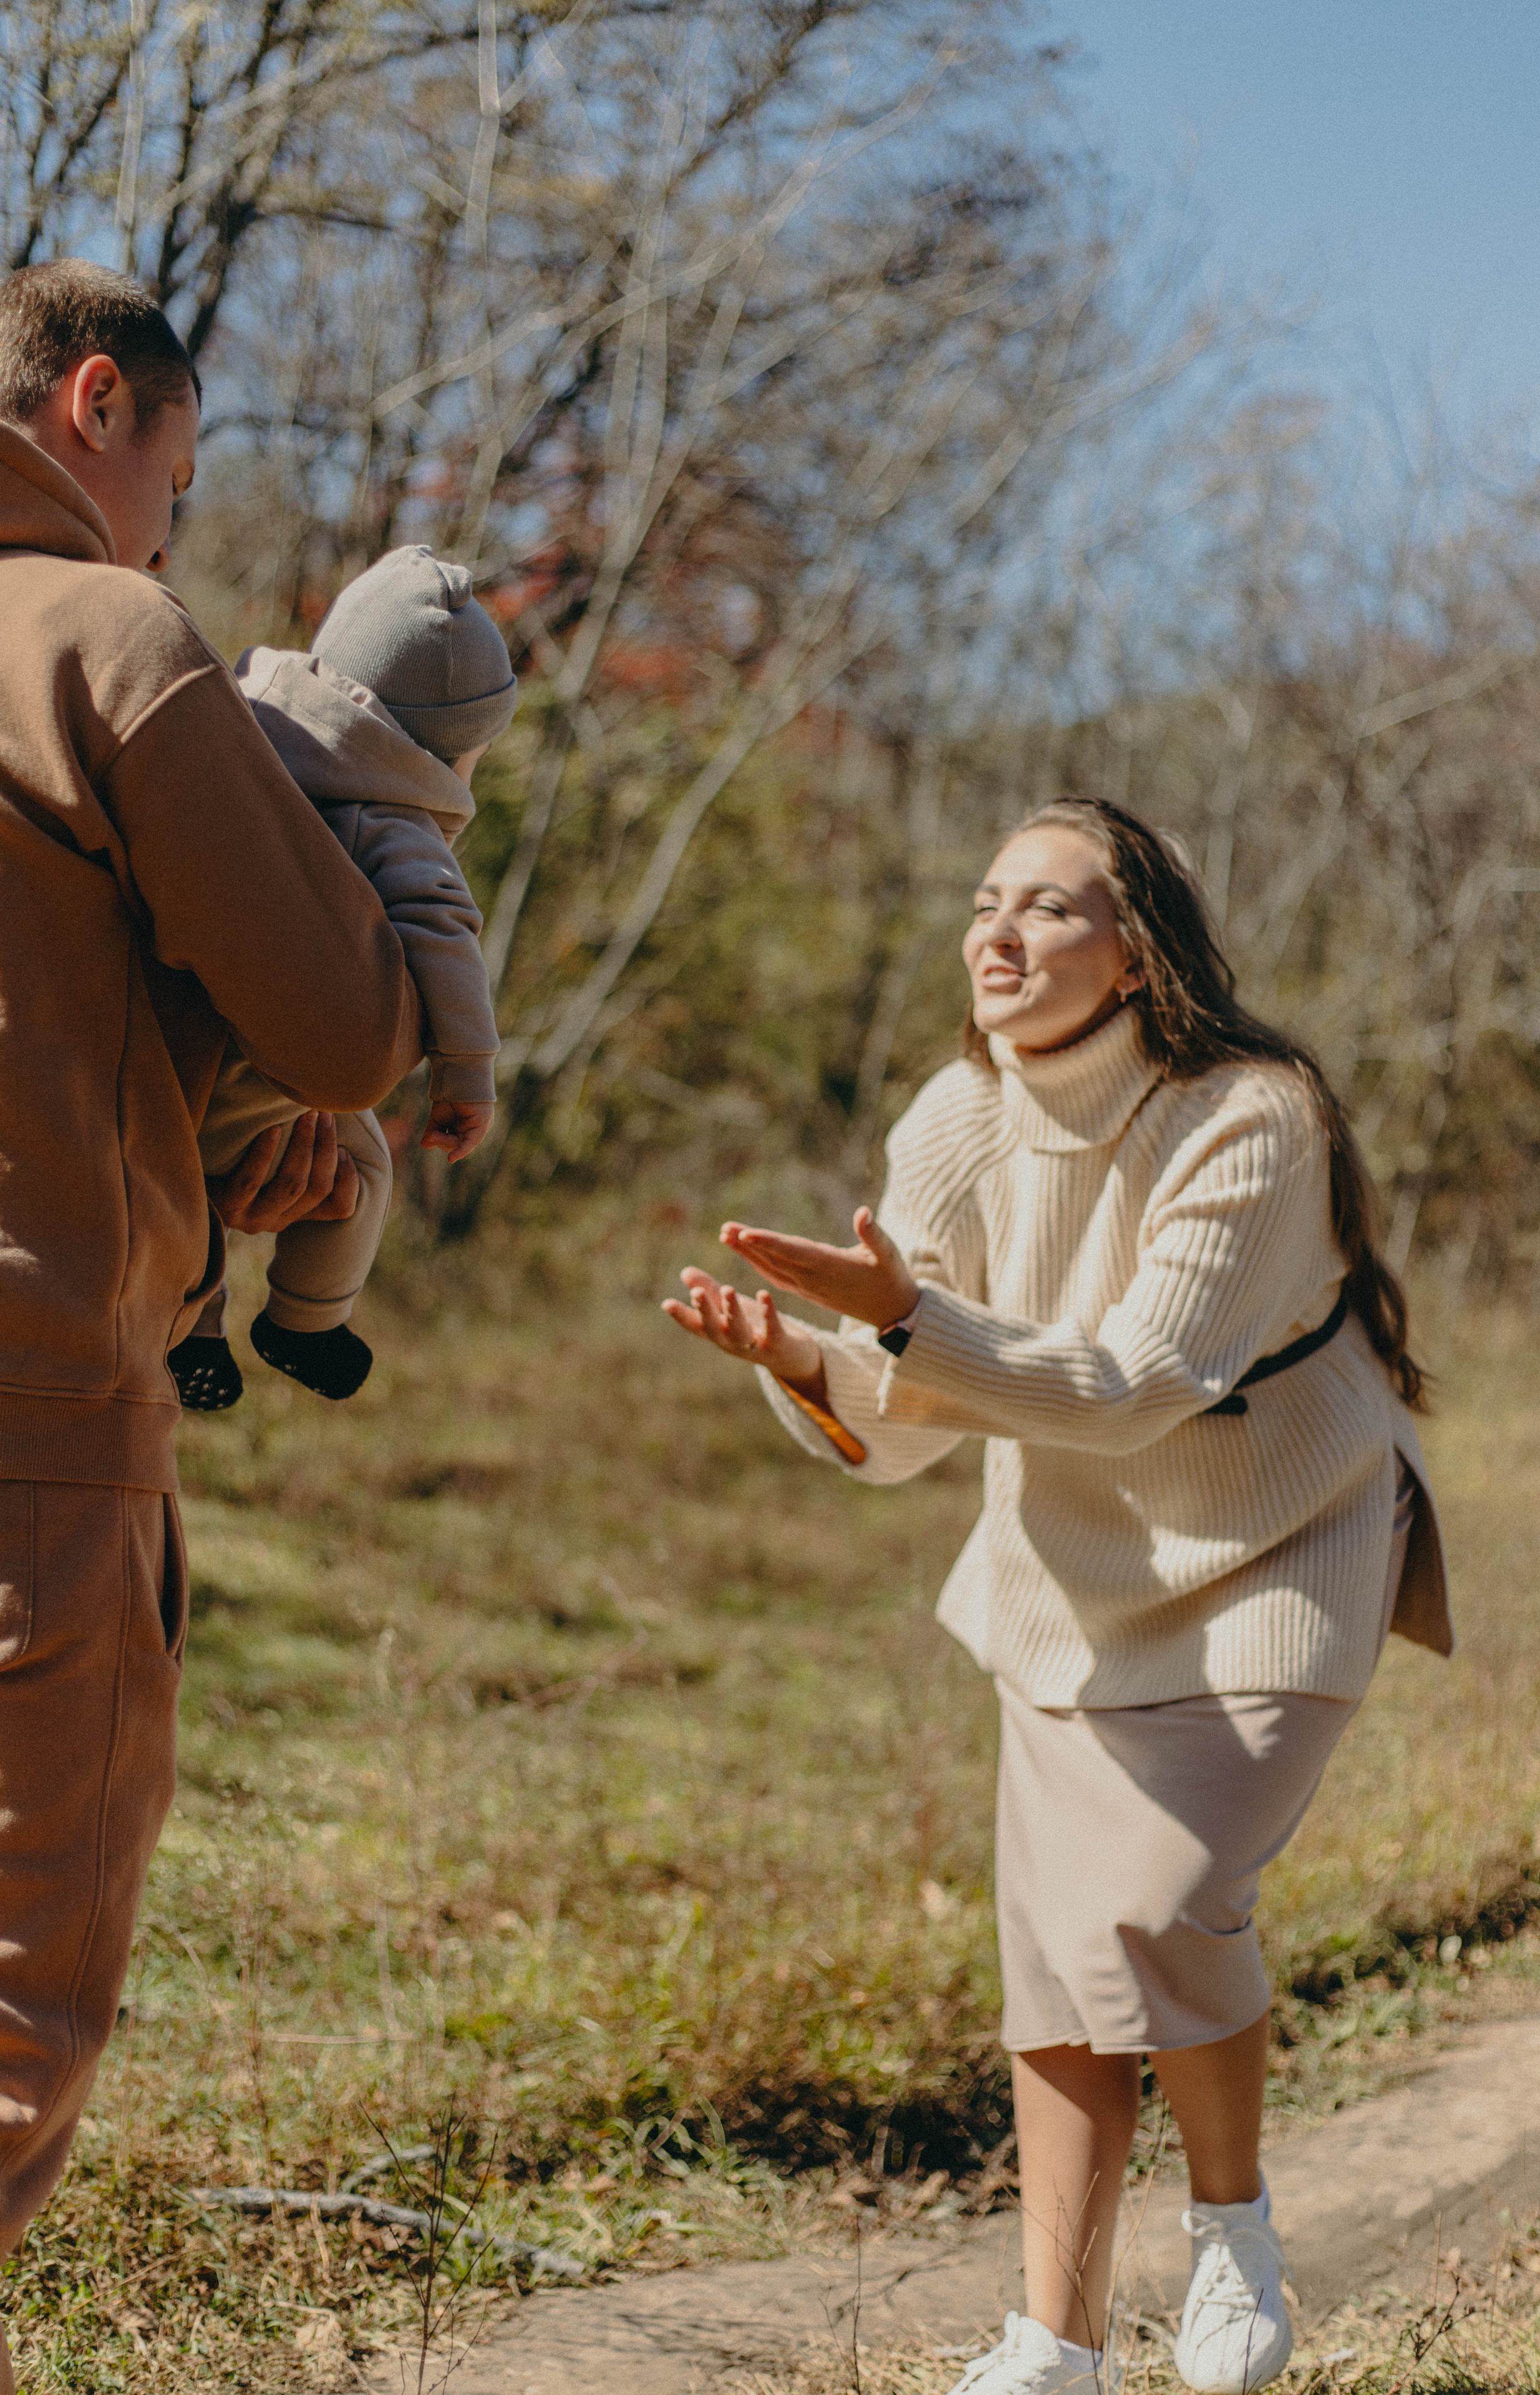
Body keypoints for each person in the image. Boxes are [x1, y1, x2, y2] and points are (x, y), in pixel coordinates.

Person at [664, 797, 1450, 2395]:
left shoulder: (1248, 1113)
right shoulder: (955, 1119)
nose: (998, 936)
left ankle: (1231, 2238)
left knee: (1155, 1911)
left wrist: (902, 1318)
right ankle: (1058, 2343)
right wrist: (811, 1362)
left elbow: (1130, 1385)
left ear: (1136, 949)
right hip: (1065, 1590)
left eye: (1047, 908)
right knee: (1064, 1974)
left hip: (1274, 1560)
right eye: (982, 905)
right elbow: (898, 1447)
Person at [0, 257, 422, 2387]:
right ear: (101, 405)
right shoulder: (99, 634)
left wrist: (165, 1120)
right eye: (177, 460)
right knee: (9, 2024)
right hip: (32, 1440)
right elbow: (349, 1031)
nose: (170, 513)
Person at [168, 544, 515, 1410]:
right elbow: (442, 926)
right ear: (451, 749)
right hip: (265, 1079)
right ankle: (306, 1322)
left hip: (172, 1052)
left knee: (182, 1195)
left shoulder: (240, 727)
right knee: (360, 1167)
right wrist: (466, 1071)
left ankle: (196, 1333)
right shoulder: (386, 813)